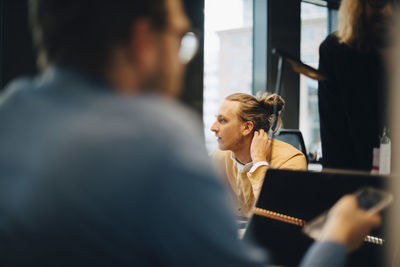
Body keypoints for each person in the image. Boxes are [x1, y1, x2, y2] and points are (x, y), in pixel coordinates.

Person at [0, 0, 380, 266]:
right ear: (142, 41)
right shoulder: (156, 140)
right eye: (181, 41)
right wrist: (335, 239)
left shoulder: (11, 113)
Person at [318, 0, 394, 171]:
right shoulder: (336, 53)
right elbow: (335, 147)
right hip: (357, 184)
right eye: (378, 2)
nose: (388, 11)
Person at [210, 93, 307, 217]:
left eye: (222, 120)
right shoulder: (219, 156)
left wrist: (259, 162)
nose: (213, 128)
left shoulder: (291, 160)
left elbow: (279, 215)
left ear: (247, 127)